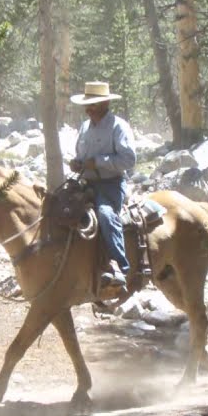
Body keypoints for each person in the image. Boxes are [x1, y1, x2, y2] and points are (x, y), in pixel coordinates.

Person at [68, 81, 137, 291]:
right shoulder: (85, 127)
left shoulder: (119, 127)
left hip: (110, 185)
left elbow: (128, 160)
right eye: (87, 105)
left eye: (94, 104)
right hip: (86, 182)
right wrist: (77, 162)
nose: (89, 109)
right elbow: (80, 156)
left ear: (106, 103)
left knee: (106, 215)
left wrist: (98, 162)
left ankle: (118, 267)